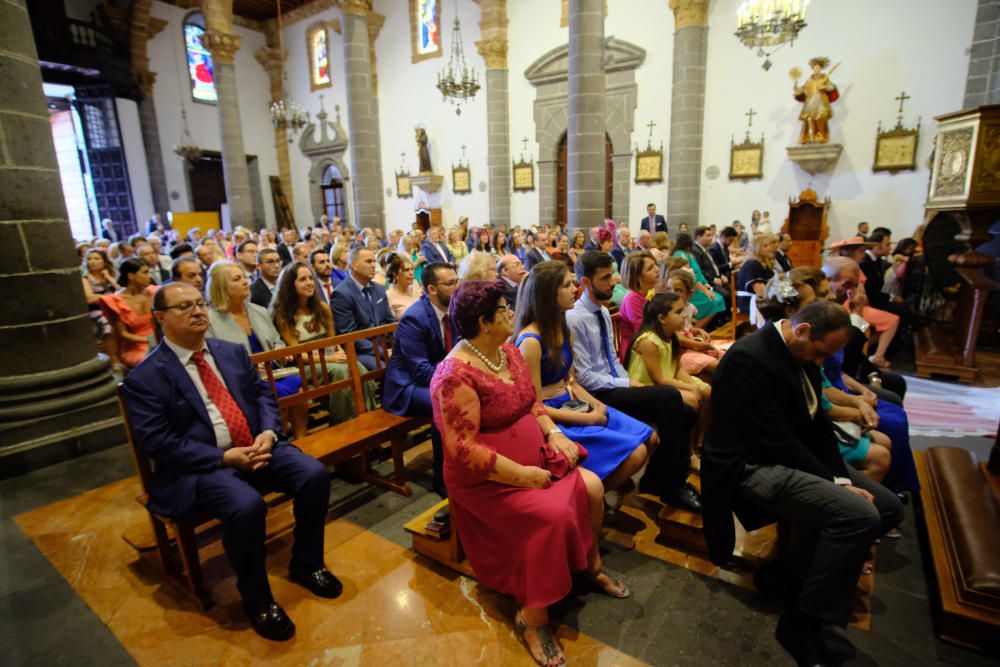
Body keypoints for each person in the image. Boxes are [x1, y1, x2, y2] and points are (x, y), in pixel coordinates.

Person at [122, 282, 339, 641]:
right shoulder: (146, 377)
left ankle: (307, 564)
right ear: (160, 318)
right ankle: (257, 600)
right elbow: (159, 442)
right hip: (204, 465)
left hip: (256, 445)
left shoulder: (229, 351)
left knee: (313, 475)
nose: (197, 311)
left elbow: (262, 396)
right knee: (246, 506)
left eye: (200, 303)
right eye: (183, 307)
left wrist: (268, 433)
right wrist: (223, 456)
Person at [431, 280, 627, 667]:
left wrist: (554, 434)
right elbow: (463, 450)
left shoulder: (507, 351)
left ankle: (588, 567)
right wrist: (522, 476)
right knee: (548, 515)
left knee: (591, 486)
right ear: (484, 322)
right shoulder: (454, 375)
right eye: (504, 309)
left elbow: (531, 402)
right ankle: (533, 617)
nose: (511, 313)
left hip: (534, 458)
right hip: (488, 480)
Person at [702, 300, 902, 666]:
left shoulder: (802, 354)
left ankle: (785, 573)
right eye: (822, 353)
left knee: (889, 508)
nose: (822, 362)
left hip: (787, 455)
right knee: (859, 516)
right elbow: (775, 438)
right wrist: (837, 485)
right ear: (803, 330)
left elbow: (815, 422)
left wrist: (838, 477)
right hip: (748, 464)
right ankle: (801, 623)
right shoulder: (750, 358)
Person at [567, 251, 701, 512]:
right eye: (605, 278)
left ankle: (655, 477)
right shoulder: (575, 318)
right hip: (597, 394)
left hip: (615, 385)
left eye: (612, 274)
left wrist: (628, 380)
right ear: (585, 282)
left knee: (686, 410)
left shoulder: (603, 313)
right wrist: (628, 385)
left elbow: (613, 360)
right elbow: (584, 376)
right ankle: (672, 484)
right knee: (669, 396)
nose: (613, 281)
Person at [514, 261, 652, 502]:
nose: (575, 289)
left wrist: (597, 405)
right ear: (548, 294)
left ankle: (597, 494)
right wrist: (588, 417)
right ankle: (589, 501)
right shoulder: (531, 342)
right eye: (567, 285)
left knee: (650, 437)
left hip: (572, 401)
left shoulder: (563, 328)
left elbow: (572, 381)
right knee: (636, 453)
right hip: (551, 417)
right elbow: (534, 407)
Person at [205, 261, 308, 440]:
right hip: (241, 379)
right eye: (237, 279)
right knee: (275, 392)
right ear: (221, 287)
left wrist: (281, 353)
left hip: (273, 369)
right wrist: (250, 365)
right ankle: (280, 440)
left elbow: (277, 341)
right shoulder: (210, 320)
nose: (245, 282)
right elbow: (214, 357)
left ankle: (302, 438)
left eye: (245, 277)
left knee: (296, 383)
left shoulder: (258, 311)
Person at [383, 262, 460, 498]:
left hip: (440, 378)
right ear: (432, 289)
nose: (456, 288)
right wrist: (461, 375)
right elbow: (422, 371)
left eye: (457, 281)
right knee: (446, 403)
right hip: (407, 387)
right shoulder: (414, 319)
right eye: (450, 284)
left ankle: (466, 463)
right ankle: (443, 477)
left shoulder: (454, 310)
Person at [271, 261, 375, 425]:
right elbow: (298, 355)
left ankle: (368, 417)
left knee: (357, 367)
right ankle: (345, 424)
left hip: (329, 358)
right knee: (342, 371)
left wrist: (339, 352)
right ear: (290, 284)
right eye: (302, 279)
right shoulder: (283, 315)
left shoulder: (323, 308)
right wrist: (331, 358)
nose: (309, 283)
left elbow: (333, 342)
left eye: (310, 278)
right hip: (305, 366)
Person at [625, 292, 712, 449]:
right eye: (678, 312)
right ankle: (688, 451)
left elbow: (676, 368)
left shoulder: (671, 336)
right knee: (692, 398)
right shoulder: (648, 341)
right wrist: (691, 388)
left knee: (706, 391)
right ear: (662, 318)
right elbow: (658, 379)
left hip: (666, 382)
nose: (685, 315)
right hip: (645, 387)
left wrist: (692, 383)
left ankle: (700, 440)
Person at [331, 247, 395, 370]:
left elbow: (390, 322)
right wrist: (382, 352)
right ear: (354, 265)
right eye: (368, 261)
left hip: (385, 345)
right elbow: (350, 335)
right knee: (386, 367)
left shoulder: (379, 289)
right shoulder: (341, 294)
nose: (373, 266)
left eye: (374, 262)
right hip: (361, 351)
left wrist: (397, 345)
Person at [664, 269, 726, 376]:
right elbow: (678, 338)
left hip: (692, 347)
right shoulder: (667, 312)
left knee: (725, 357)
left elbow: (688, 328)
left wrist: (698, 331)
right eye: (669, 289)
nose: (672, 294)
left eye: (678, 290)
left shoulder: (688, 308)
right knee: (716, 365)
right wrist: (700, 345)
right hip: (680, 353)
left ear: (689, 293)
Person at [100, 258, 154, 372]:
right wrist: (150, 340)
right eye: (145, 272)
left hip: (160, 339)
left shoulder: (154, 291)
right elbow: (123, 334)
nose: (149, 276)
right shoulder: (115, 301)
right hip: (136, 346)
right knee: (153, 360)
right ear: (131, 276)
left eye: (149, 272)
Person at [672, 233, 727, 327]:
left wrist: (705, 283)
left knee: (719, 298)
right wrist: (704, 290)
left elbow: (698, 272)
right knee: (713, 301)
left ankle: (710, 325)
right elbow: (689, 276)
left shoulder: (689, 254)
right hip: (691, 288)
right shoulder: (680, 254)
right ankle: (698, 327)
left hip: (699, 285)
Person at [616, 251, 658, 362]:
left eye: (655, 265)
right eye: (650, 268)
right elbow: (644, 333)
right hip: (637, 353)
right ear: (638, 277)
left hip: (653, 344)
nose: (657, 270)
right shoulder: (632, 299)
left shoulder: (650, 292)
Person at [793, 56, 839, 144]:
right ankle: (808, 137)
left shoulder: (824, 79)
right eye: (814, 68)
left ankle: (821, 136)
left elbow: (831, 87)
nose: (816, 69)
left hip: (820, 103)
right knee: (809, 119)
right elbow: (802, 90)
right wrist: (795, 85)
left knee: (820, 119)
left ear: (821, 69)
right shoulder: (809, 80)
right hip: (810, 104)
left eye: (818, 68)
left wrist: (824, 87)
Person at [735, 232, 779, 322]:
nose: (769, 248)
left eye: (768, 245)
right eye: (765, 246)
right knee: (779, 307)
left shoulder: (763, 263)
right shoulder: (752, 265)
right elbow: (760, 291)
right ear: (757, 249)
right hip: (748, 301)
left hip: (760, 298)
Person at [385, 253, 421, 319]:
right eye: (406, 270)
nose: (411, 273)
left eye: (412, 269)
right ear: (396, 274)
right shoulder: (389, 296)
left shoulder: (417, 290)